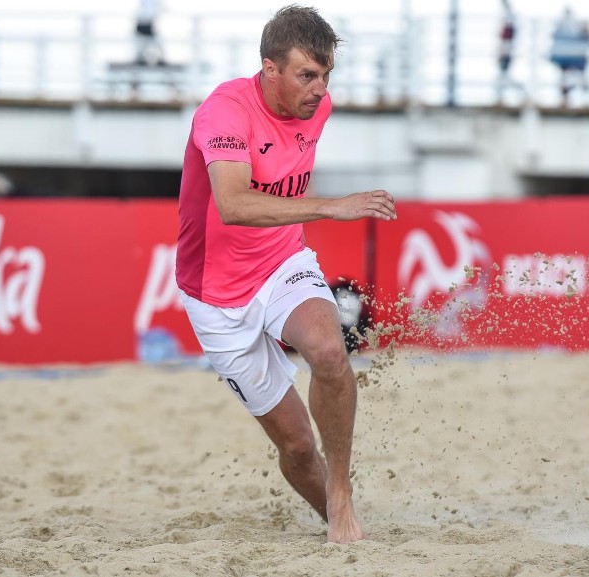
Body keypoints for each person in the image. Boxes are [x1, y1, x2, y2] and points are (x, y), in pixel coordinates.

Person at [174, 5, 397, 544]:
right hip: (215, 295)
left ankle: (342, 494)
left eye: (326, 76)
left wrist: (316, 216)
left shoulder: (316, 108)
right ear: (269, 69)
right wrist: (332, 207)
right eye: (307, 75)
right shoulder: (224, 111)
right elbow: (232, 204)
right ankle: (330, 512)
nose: (320, 90)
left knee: (327, 351)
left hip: (281, 263)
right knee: (297, 446)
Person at [549, 7, 589, 102]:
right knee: (570, 76)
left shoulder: (565, 26)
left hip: (570, 57)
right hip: (569, 57)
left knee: (569, 76)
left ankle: (581, 95)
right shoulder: (568, 26)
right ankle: (583, 94)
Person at [134, 0, 164, 66]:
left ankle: (161, 57)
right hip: (144, 23)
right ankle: (139, 59)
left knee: (154, 42)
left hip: (147, 23)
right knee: (142, 43)